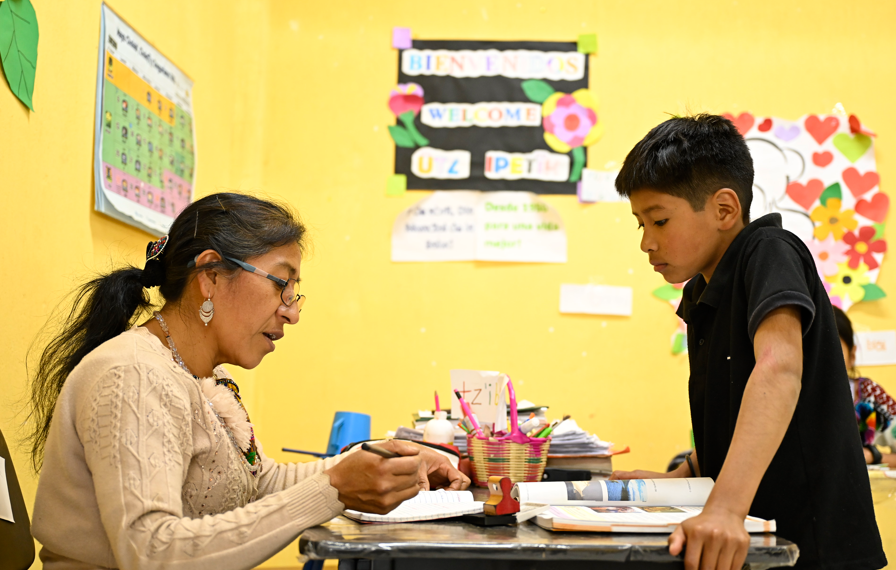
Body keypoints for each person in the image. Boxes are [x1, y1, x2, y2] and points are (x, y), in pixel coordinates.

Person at [28, 193, 469, 570]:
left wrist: (383, 458)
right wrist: (334, 488)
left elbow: (258, 484)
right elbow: (151, 551)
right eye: (282, 285)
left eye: (294, 293)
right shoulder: (133, 376)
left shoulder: (204, 377)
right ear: (211, 276)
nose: (292, 312)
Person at [609, 115, 885, 570]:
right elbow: (731, 411)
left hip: (814, 547)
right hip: (755, 540)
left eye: (659, 220)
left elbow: (778, 370)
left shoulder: (769, 250)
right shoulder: (702, 294)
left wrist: (725, 508)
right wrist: (680, 477)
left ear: (724, 209)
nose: (646, 243)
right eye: (641, 224)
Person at [833, 305, 896, 466]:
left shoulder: (870, 395)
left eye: (833, 352)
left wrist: (874, 455)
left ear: (852, 355)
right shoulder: (786, 397)